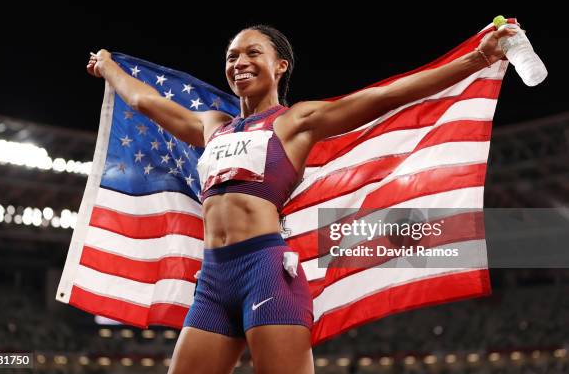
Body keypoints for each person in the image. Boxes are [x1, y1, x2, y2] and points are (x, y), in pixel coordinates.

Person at [87, 24, 516, 374]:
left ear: (280, 65)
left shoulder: (296, 122)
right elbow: (145, 99)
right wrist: (107, 66)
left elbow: (387, 96)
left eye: (253, 53)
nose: (239, 62)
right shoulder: (212, 126)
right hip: (213, 280)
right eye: (232, 56)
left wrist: (479, 57)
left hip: (265, 270)